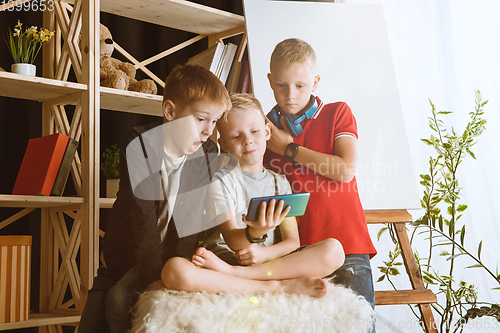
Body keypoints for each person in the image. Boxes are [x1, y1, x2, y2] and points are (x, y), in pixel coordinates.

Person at [78, 64, 231, 333]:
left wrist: (173, 272)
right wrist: (152, 277)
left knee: (119, 302)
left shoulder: (207, 152)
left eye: (215, 120)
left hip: (172, 256)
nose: (209, 131)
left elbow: (190, 219)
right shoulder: (138, 144)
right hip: (128, 254)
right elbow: (143, 217)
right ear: (170, 111)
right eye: (201, 119)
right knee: (98, 316)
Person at [161, 93, 345, 298]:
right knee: (174, 269)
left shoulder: (280, 183)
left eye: (254, 131)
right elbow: (232, 240)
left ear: (267, 131)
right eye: (236, 136)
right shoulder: (221, 181)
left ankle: (239, 276)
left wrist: (262, 253)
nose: (248, 141)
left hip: (265, 263)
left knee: (334, 250)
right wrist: (255, 232)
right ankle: (274, 287)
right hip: (223, 260)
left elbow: (292, 241)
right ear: (224, 144)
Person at [264, 38, 377, 317]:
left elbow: (344, 169)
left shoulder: (337, 112)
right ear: (269, 81)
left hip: (349, 248)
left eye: (300, 86)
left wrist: (288, 148)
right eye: (281, 85)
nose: (290, 94)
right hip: (298, 257)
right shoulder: (264, 135)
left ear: (315, 83)